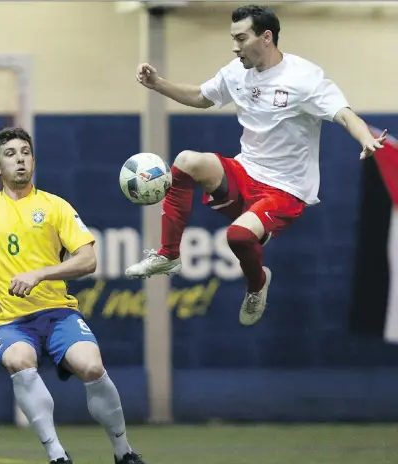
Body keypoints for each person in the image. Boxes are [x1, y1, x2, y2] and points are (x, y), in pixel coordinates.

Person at [126, 4, 387, 326]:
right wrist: (157, 84)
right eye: (232, 38)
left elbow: (345, 114)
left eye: (241, 38)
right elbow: (201, 97)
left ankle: (257, 284)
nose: (235, 46)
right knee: (185, 161)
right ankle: (168, 255)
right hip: (245, 170)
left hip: (285, 190)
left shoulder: (304, 78)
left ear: (266, 37)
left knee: (237, 237)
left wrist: (365, 139)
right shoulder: (237, 71)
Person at [0, 127, 153, 464]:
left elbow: (88, 260)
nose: (20, 159)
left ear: (34, 160)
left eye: (25, 152)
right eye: (10, 154)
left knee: (91, 366)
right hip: (10, 321)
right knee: (18, 359)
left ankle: (124, 452)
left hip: (57, 313)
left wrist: (40, 273)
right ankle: (57, 455)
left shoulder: (55, 206)